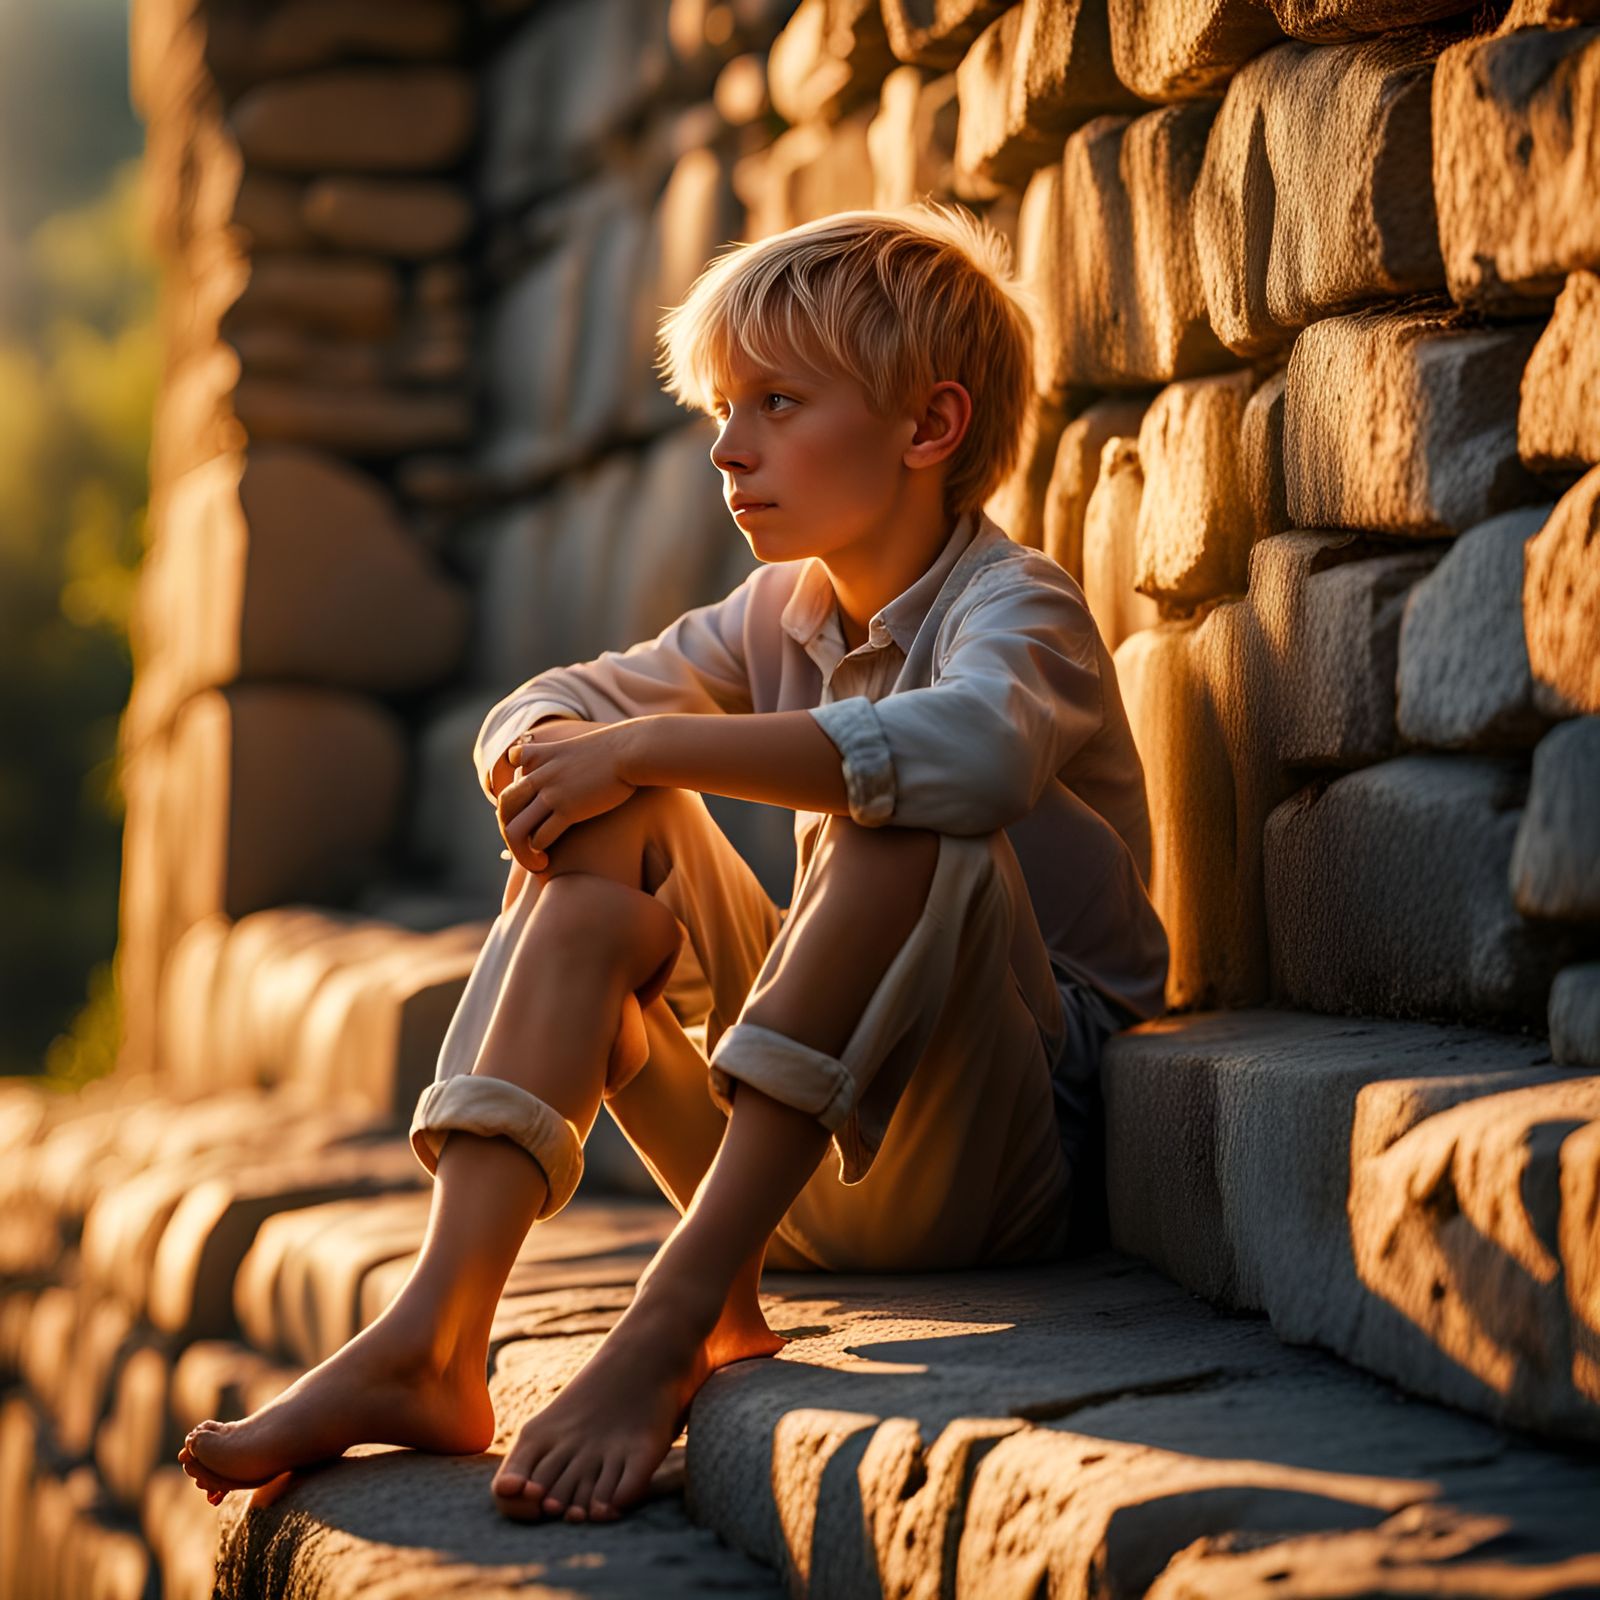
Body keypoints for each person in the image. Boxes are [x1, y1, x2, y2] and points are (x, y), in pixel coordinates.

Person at [176, 202, 1169, 1527]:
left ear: (929, 429)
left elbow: (977, 759)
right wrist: (578, 751)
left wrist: (651, 744)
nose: (727, 445)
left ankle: (674, 1317)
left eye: (776, 402)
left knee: (899, 806)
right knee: (606, 819)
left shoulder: (1016, 605)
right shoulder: (784, 607)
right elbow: (545, 708)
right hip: (795, 1170)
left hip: (993, 1160)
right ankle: (435, 1330)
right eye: (721, 406)